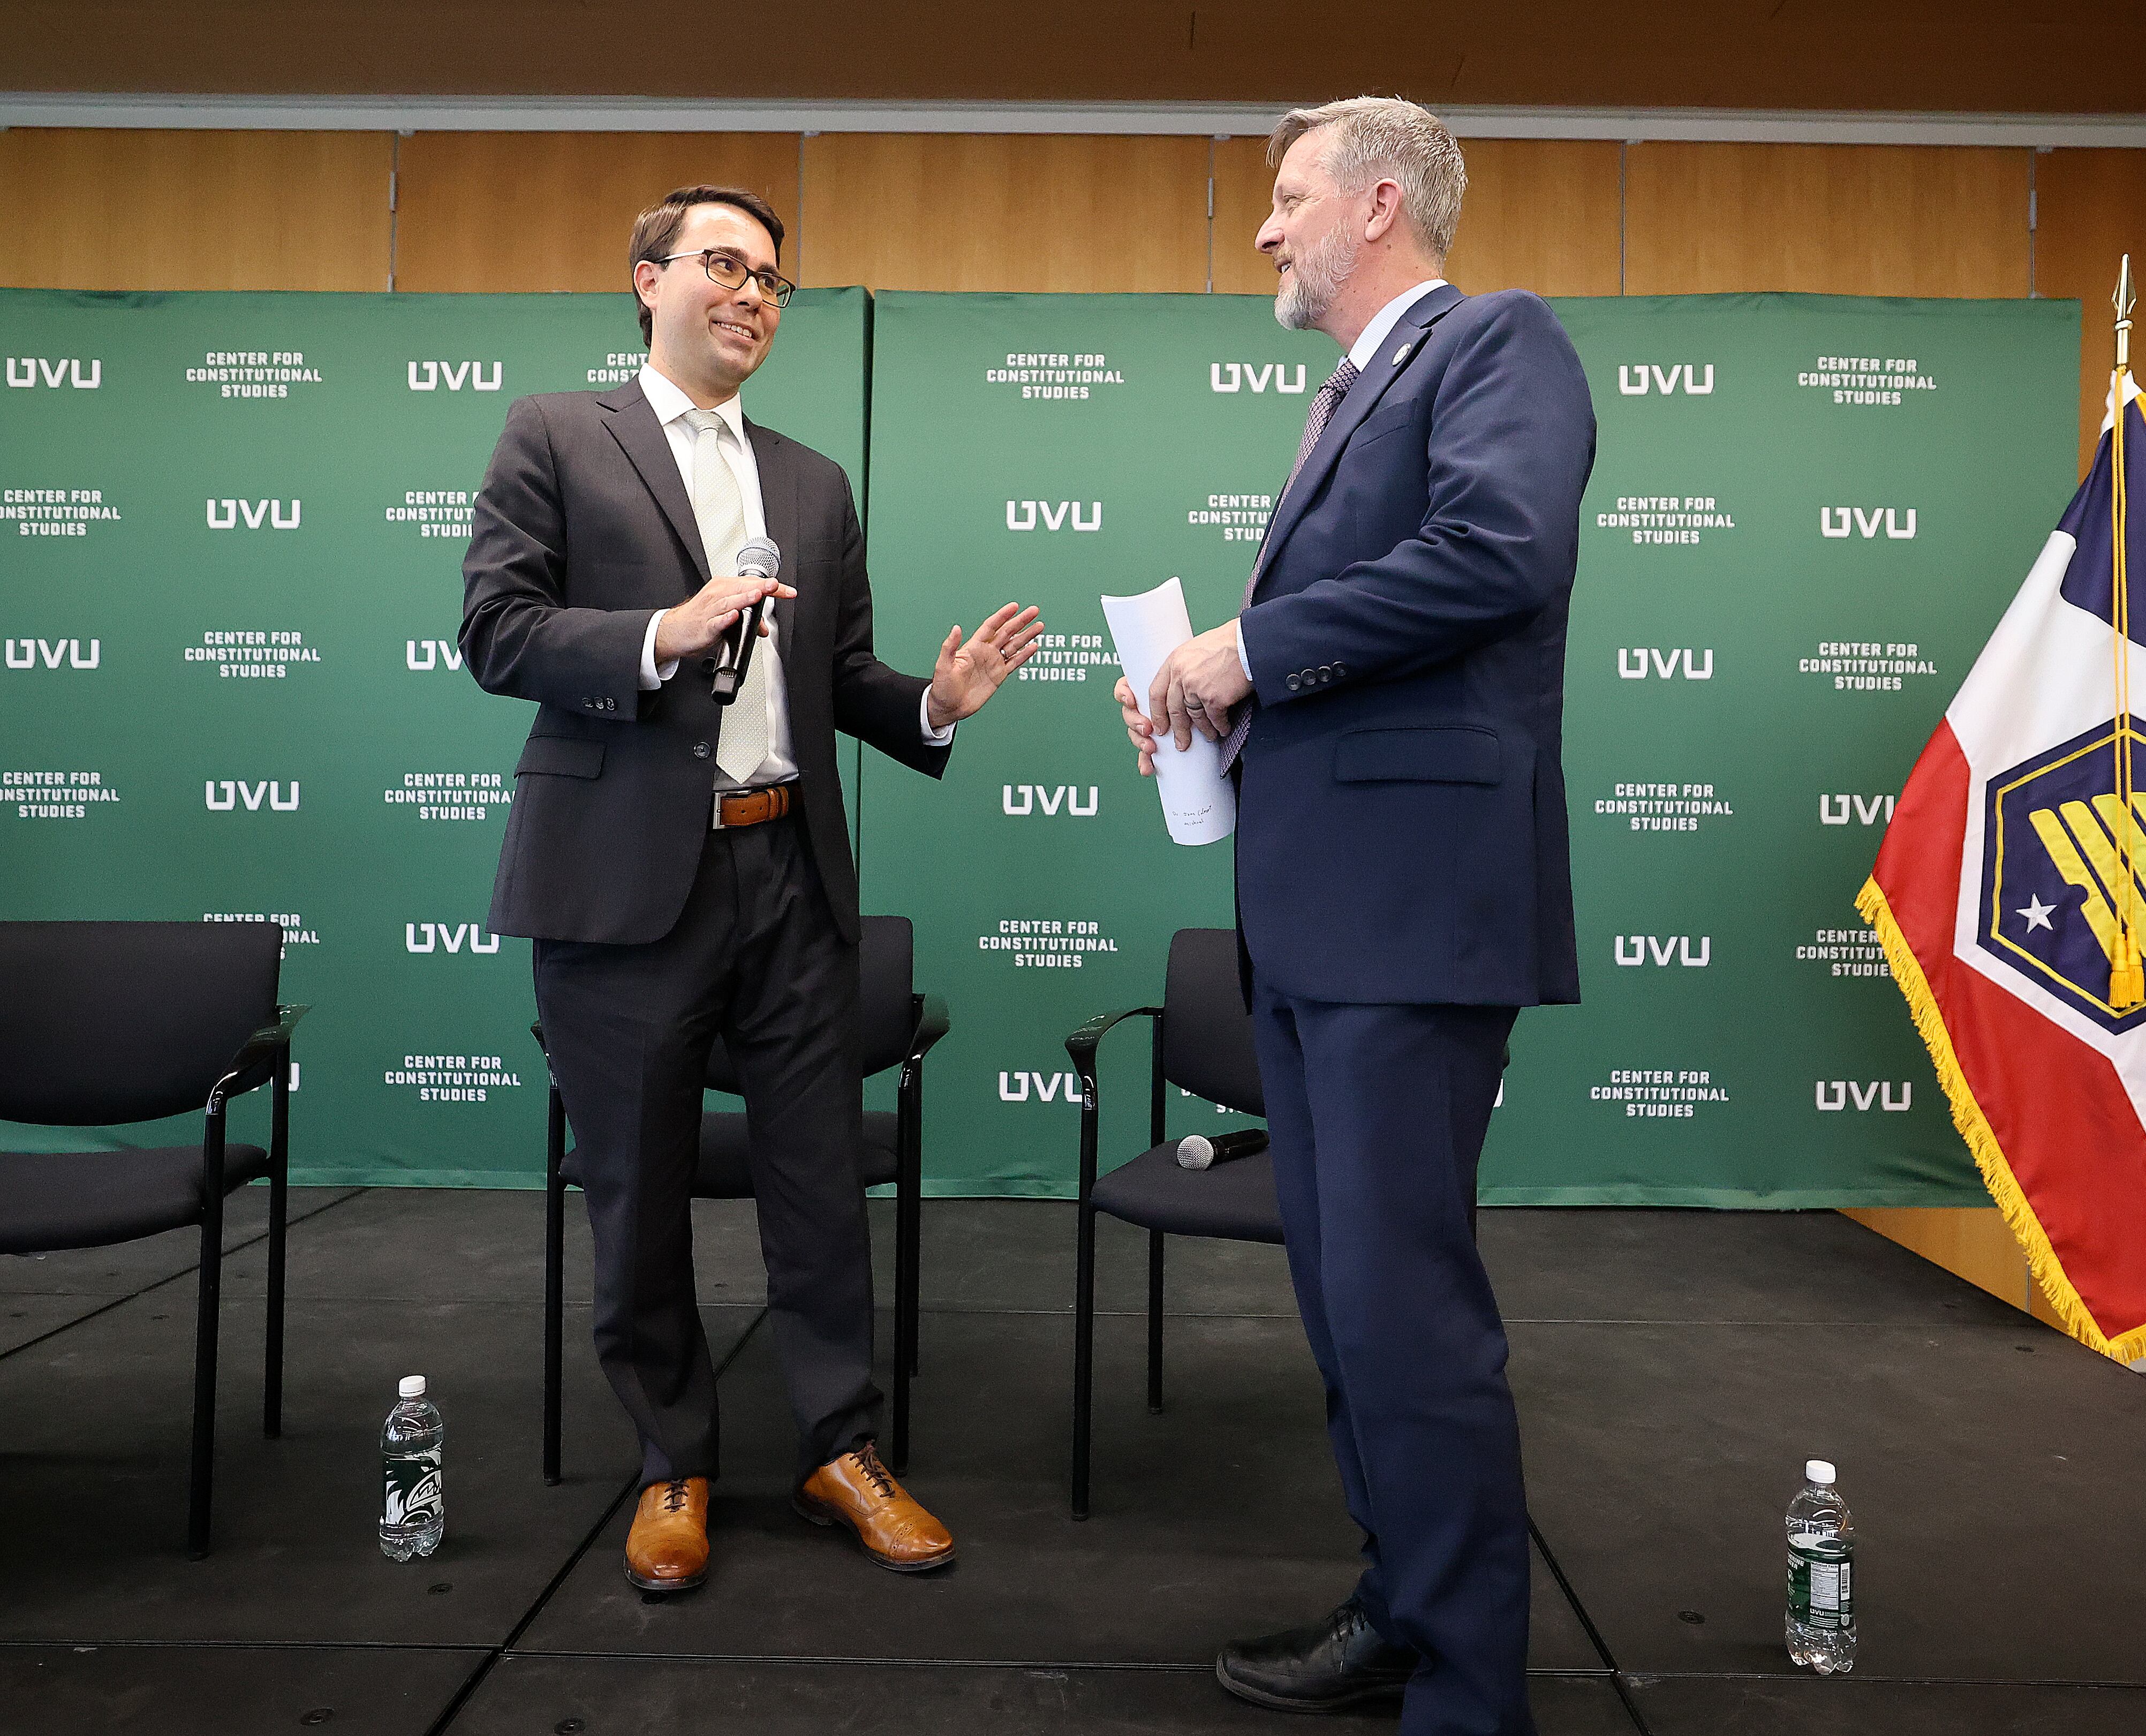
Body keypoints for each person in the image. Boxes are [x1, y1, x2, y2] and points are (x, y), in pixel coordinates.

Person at [462, 184, 1039, 1594]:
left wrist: (939, 703)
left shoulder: (809, 481)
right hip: (621, 878)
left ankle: (843, 1446)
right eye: (724, 264)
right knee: (640, 1185)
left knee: (818, 1180)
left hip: (787, 867)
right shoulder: (556, 434)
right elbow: (496, 627)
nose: (753, 294)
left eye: (773, 278)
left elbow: (834, 680)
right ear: (648, 279)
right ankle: (673, 1462)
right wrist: (666, 629)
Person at [1113, 102, 1596, 1734]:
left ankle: (1472, 1695)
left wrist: (1247, 647)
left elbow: (1498, 552)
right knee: (1348, 1304)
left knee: (1407, 1312)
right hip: (1320, 923)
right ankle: (1402, 1607)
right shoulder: (1348, 398)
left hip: (1409, 922)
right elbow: (1373, 657)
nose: (1264, 230)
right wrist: (1225, 706)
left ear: (1380, 202)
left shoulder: (1492, 343)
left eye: (1287, 195)